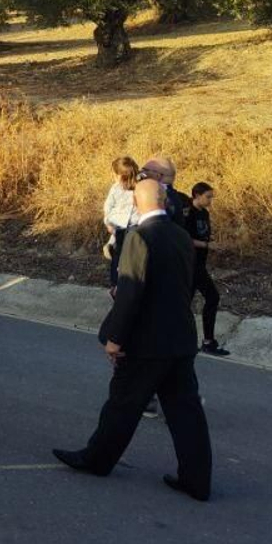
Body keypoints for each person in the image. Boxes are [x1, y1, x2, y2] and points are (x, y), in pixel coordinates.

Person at [53, 178, 213, 501]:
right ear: (164, 201)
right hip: (180, 338)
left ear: (137, 203)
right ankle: (197, 480)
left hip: (147, 343)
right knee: (186, 413)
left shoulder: (139, 237)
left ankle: (97, 460)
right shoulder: (182, 237)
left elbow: (131, 292)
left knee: (122, 405)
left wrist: (115, 338)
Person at [186, 182, 228, 356]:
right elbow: (184, 237)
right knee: (212, 297)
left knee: (184, 303)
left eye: (211, 197)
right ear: (196, 195)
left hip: (200, 263)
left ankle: (187, 341)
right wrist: (207, 245)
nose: (210, 200)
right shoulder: (188, 214)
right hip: (191, 264)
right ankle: (208, 341)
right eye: (208, 197)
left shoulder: (205, 213)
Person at [103, 156, 140, 287]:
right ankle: (115, 284)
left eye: (114, 174)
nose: (113, 176)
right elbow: (108, 206)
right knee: (118, 256)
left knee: (130, 257)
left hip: (135, 227)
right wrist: (107, 222)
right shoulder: (115, 188)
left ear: (121, 175)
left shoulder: (139, 187)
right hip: (118, 226)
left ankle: (130, 283)